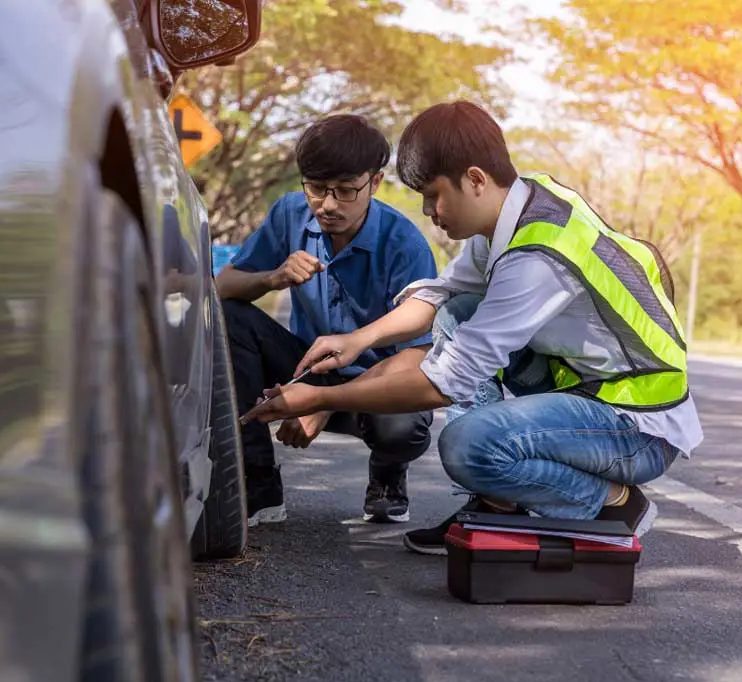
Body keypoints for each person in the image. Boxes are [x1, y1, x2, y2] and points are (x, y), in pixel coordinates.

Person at [241, 100, 703, 555]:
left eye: (433, 195)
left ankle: (612, 502)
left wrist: (320, 398)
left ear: (476, 180)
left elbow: (444, 384)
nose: (428, 210)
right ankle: (493, 504)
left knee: (468, 446)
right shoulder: (519, 206)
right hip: (587, 391)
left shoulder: (536, 257)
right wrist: (358, 339)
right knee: (458, 309)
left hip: (636, 425)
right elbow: (439, 294)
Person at [215, 114, 440, 526]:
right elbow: (222, 286)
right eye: (316, 188)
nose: (329, 205)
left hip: (377, 384)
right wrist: (272, 278)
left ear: (375, 182)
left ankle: (388, 472)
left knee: (402, 428)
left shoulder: (405, 245)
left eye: (346, 190)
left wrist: (324, 401)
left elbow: (418, 357)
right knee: (228, 318)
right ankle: (258, 483)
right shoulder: (289, 214)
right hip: (307, 368)